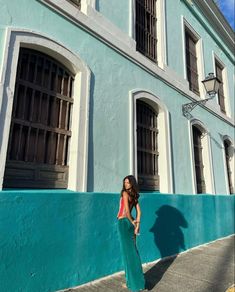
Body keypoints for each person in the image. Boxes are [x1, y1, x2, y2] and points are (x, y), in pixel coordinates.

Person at [117, 175, 145, 291]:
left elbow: (127, 212)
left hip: (123, 223)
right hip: (130, 223)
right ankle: (135, 284)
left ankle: (133, 285)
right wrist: (137, 225)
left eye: (128, 182)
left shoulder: (125, 193)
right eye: (124, 182)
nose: (125, 184)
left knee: (127, 255)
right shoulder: (134, 196)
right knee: (133, 253)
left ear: (132, 183)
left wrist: (133, 223)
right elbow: (139, 212)